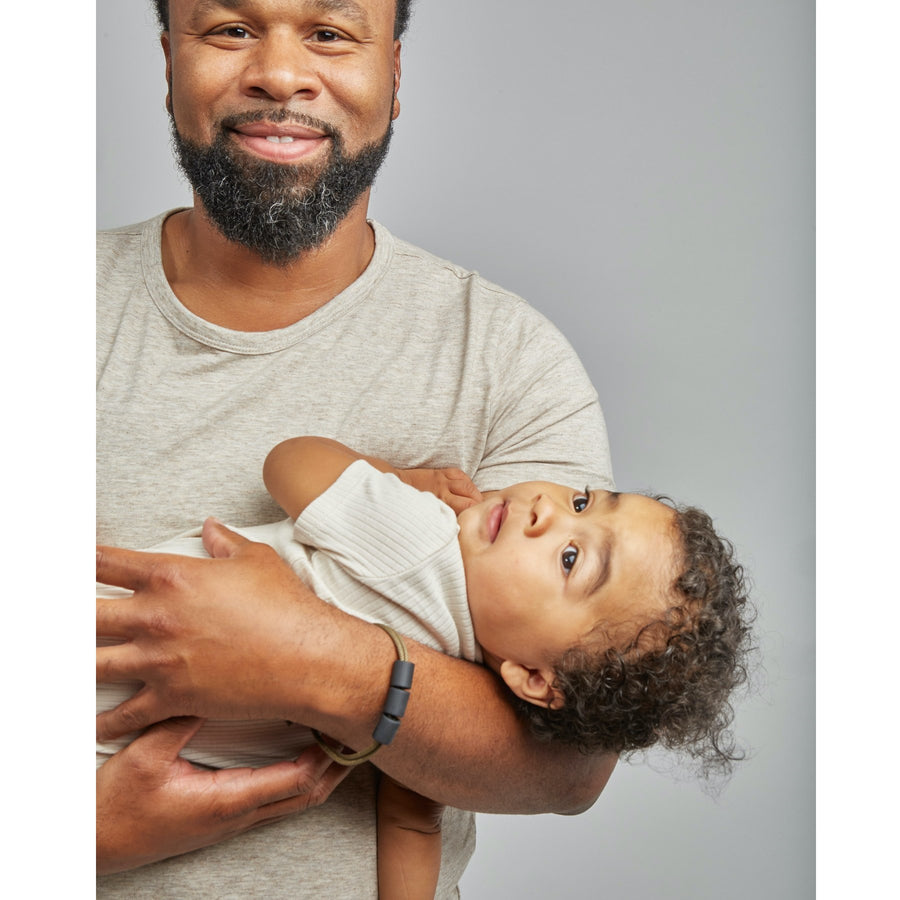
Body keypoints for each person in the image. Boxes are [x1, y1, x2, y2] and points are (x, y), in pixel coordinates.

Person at [96, 0, 620, 895]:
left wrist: (307, 656)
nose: (281, 73)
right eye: (229, 30)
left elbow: (567, 767)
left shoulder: (505, 362)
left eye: (332, 33)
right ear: (168, 61)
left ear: (395, 75)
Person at [99, 436, 752, 899]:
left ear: (535, 678)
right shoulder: (433, 714)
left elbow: (290, 461)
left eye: (571, 559)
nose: (545, 511)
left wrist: (392, 480)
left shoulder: (420, 538)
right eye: (584, 501)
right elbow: (411, 823)